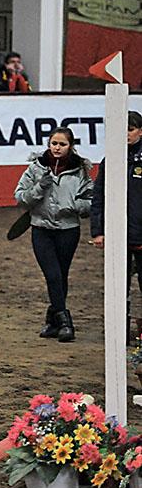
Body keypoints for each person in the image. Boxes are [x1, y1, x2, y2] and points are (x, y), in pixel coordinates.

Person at [14, 127, 93, 342]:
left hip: (68, 230)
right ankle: (65, 321)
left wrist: (74, 206)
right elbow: (20, 197)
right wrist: (39, 188)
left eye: (62, 144)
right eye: (54, 143)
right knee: (53, 275)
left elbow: (90, 201)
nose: (57, 148)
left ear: (71, 146)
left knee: (61, 275)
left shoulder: (80, 171)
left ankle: (52, 320)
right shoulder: (35, 168)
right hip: (41, 229)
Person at [91, 111, 142, 343]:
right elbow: (99, 196)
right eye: (122, 129)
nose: (126, 134)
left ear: (140, 131)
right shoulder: (110, 160)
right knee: (118, 286)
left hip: (139, 233)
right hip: (117, 235)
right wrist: (98, 230)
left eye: (130, 129)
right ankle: (119, 330)